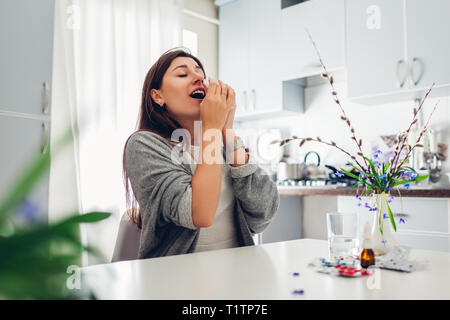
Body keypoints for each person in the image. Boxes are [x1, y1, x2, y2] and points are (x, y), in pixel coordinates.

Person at [122, 47, 279, 259]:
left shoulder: (221, 144)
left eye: (200, 73)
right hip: (177, 278)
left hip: (239, 270)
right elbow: (199, 214)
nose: (198, 78)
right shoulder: (144, 144)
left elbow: (263, 214)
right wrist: (213, 128)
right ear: (158, 96)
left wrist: (228, 130)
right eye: (182, 74)